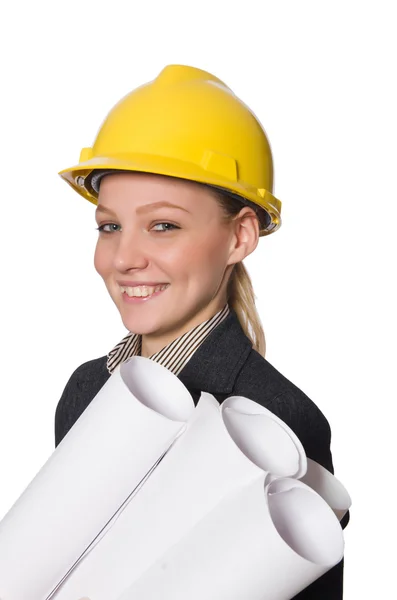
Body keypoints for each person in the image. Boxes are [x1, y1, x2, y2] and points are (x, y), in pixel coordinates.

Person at [54, 64, 349, 598]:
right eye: (109, 227)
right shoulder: (86, 390)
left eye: (163, 225)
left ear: (239, 236)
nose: (123, 258)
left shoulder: (279, 418)